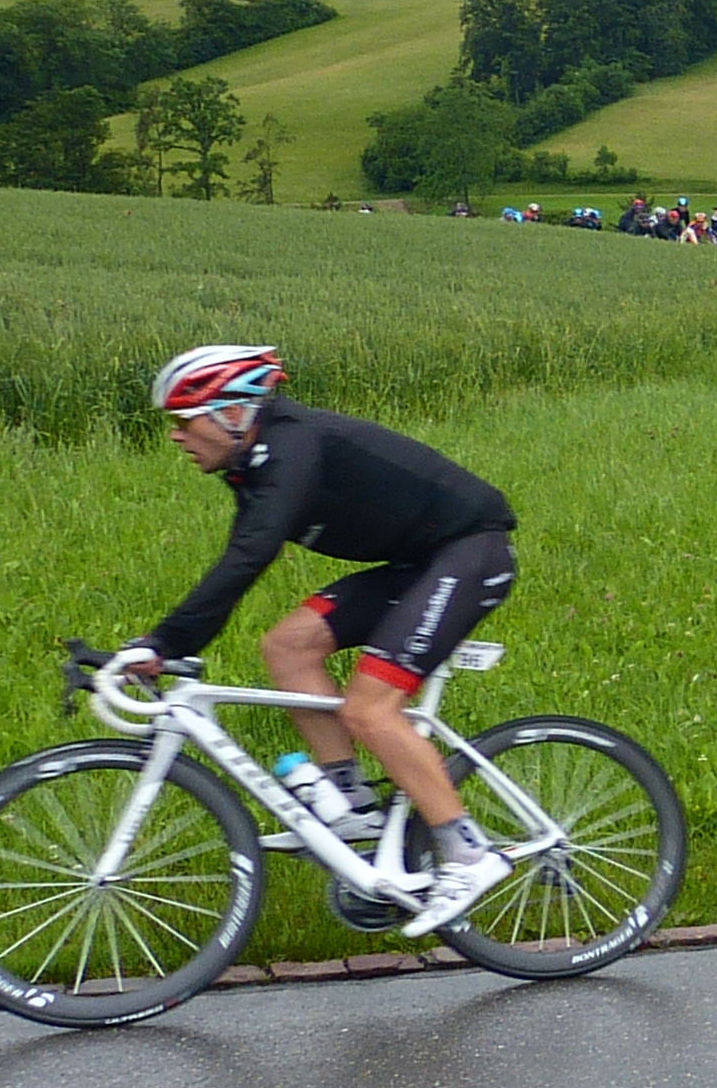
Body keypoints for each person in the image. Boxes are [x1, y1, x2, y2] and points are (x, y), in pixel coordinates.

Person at [121, 346, 523, 937]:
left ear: (233, 413)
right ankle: (351, 801)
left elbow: (250, 555)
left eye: (185, 420)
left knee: (371, 708)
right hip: (419, 562)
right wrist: (169, 641)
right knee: (287, 647)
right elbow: (244, 555)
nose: (177, 437)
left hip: (469, 553)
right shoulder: (253, 462)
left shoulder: (292, 447)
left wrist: (165, 642)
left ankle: (467, 852)